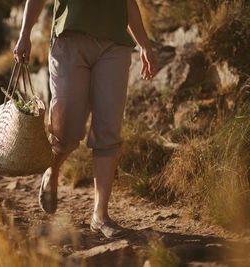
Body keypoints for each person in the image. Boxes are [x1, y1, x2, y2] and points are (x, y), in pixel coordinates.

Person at [13, 0, 157, 238]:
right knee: (66, 130)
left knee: (108, 128)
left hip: (114, 45)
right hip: (70, 41)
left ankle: (100, 216)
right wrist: (24, 34)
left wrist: (144, 44)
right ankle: (53, 171)